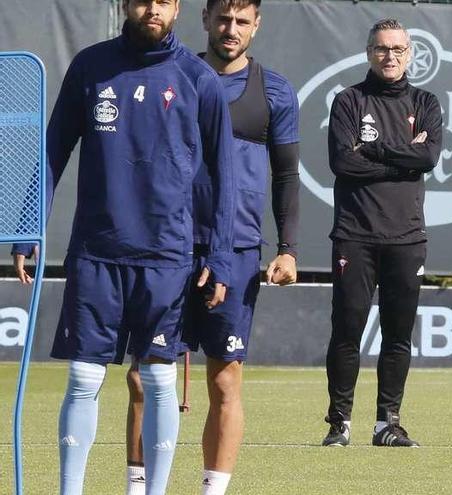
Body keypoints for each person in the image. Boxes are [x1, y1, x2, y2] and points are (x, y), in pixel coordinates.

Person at [11, 0, 236, 494]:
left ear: (177, 7)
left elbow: (226, 175)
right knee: (83, 379)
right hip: (97, 251)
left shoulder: (199, 79)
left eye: (163, 1)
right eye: (142, 0)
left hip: (167, 257)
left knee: (158, 382)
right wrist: (29, 225)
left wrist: (219, 255)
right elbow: (54, 147)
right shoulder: (91, 66)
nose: (151, 9)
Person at [122, 1, 300, 494]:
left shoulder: (276, 90)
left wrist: (287, 248)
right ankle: (139, 488)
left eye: (243, 21)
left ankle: (211, 490)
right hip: (166, 248)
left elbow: (286, 175)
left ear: (257, 25)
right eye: (223, 19)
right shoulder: (172, 74)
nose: (231, 29)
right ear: (204, 19)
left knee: (225, 381)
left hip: (238, 250)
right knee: (143, 378)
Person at [321, 18, 442, 448]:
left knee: (397, 336)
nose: (389, 57)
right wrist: (402, 157)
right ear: (369, 52)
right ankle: (340, 423)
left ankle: (386, 423)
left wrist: (372, 148)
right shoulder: (349, 101)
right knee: (347, 330)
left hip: (407, 237)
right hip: (355, 234)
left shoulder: (426, 101)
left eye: (397, 49)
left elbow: (427, 157)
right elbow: (343, 163)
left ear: (410, 54)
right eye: (381, 49)